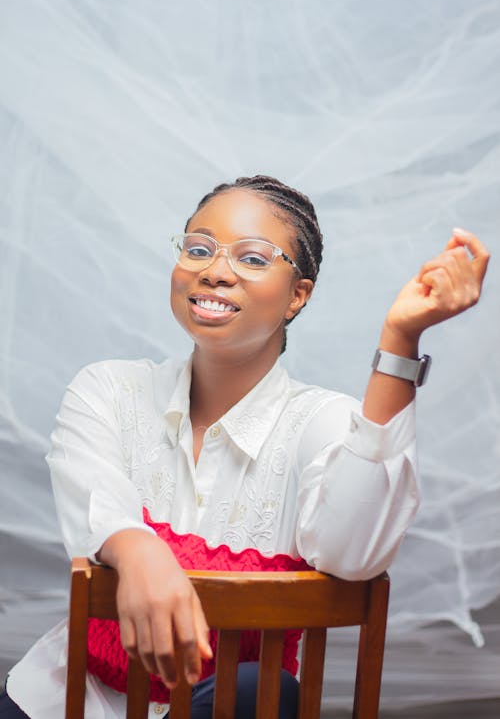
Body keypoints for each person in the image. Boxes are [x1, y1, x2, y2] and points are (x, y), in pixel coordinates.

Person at [0, 176, 489, 719]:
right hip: (56, 702)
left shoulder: (324, 421)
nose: (214, 269)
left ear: (297, 296)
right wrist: (137, 553)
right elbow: (96, 501)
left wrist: (400, 339)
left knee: (261, 687)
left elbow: (355, 557)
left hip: (230, 706)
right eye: (199, 248)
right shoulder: (108, 390)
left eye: (253, 258)